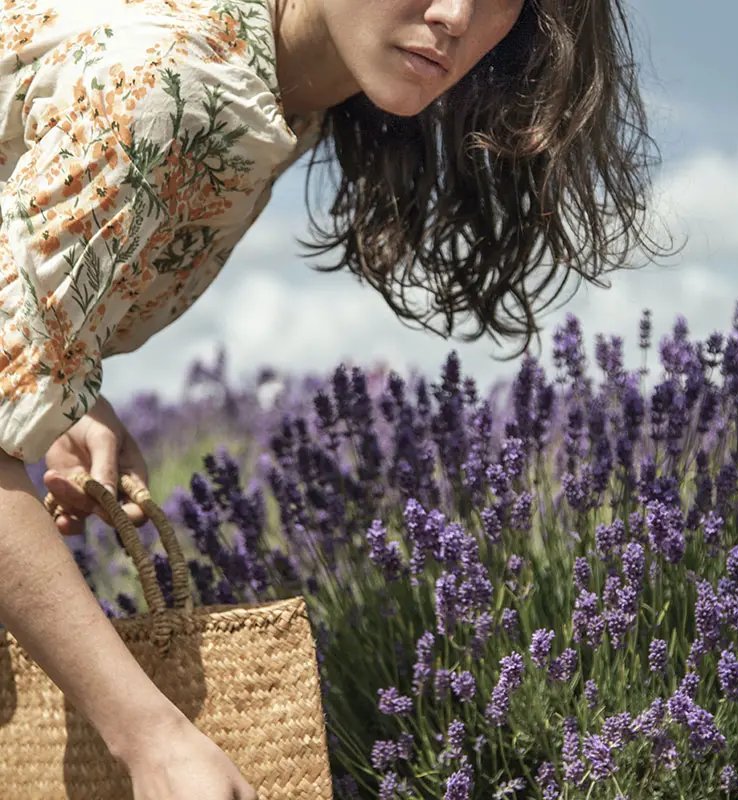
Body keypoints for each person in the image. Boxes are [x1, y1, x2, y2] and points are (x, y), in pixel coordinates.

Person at [0, 0, 677, 797]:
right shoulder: (175, 84)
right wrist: (150, 738)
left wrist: (59, 385)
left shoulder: (286, 89)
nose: (456, 14)